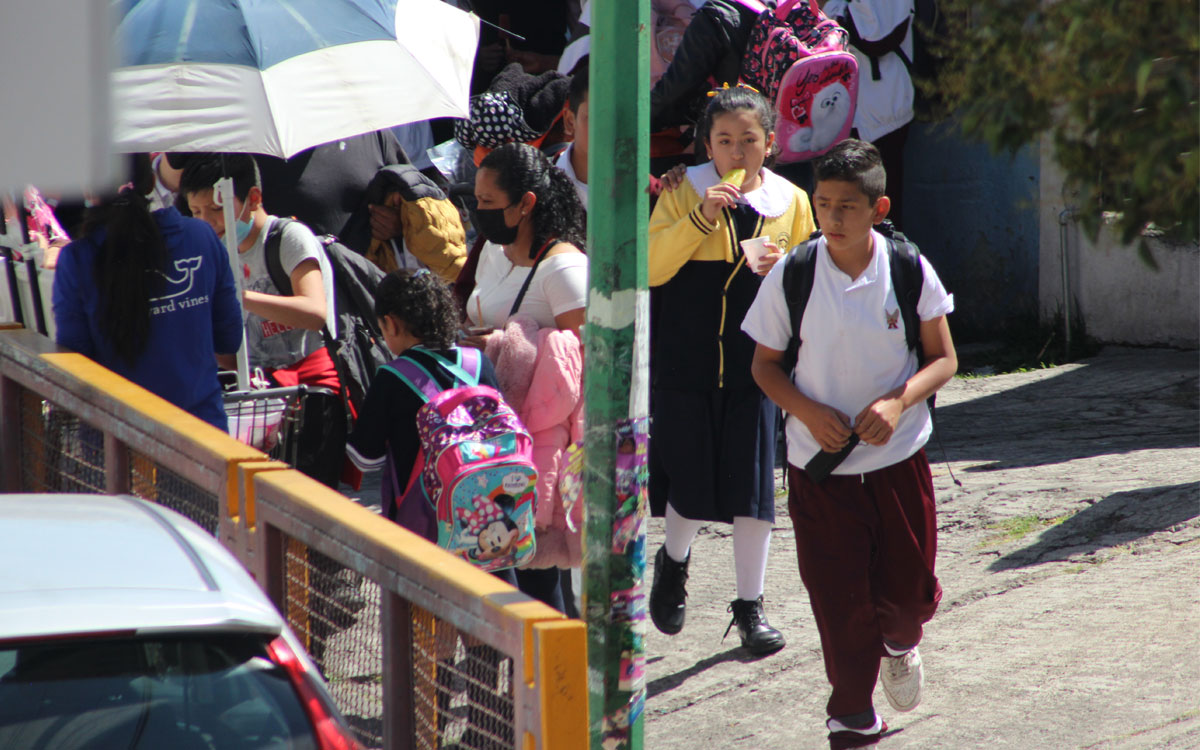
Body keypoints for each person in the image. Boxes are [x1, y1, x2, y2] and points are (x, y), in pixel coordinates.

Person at [741, 138, 956, 748]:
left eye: (847, 207)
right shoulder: (794, 273)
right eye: (823, 204)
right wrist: (809, 412)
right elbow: (764, 367)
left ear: (878, 208)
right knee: (840, 604)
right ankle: (852, 716)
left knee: (908, 599)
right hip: (820, 473)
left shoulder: (908, 267)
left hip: (898, 461)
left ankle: (900, 643)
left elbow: (944, 359)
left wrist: (897, 402)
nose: (832, 218)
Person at [646, 85, 816, 655]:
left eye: (749, 140)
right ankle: (673, 563)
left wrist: (781, 271)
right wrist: (702, 215)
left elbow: (808, 277)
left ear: (770, 142)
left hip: (757, 367)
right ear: (707, 146)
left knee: (753, 490)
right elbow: (653, 266)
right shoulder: (682, 190)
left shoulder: (791, 201)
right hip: (687, 360)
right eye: (724, 141)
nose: (737, 153)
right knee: (689, 482)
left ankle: (750, 607)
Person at [463, 142, 590, 613]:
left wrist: (504, 346)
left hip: (540, 448)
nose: (478, 211)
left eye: (488, 202)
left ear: (525, 204)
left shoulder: (564, 269)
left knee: (539, 579)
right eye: (477, 200)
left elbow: (585, 366)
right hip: (489, 435)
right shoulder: (493, 252)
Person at [179, 154, 345, 488]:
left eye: (215, 209)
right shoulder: (218, 254)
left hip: (310, 395)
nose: (206, 221)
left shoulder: (288, 237)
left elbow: (315, 312)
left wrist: (241, 297)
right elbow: (231, 354)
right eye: (196, 212)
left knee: (307, 502)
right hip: (257, 402)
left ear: (253, 198)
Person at [52, 154, 242, 432]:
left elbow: (75, 360)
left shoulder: (77, 259)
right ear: (152, 181)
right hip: (202, 435)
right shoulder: (201, 236)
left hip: (117, 438)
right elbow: (229, 338)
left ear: (88, 189)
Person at [823, 0, 916, 226]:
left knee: (880, 212)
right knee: (836, 207)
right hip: (835, 113)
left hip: (883, 116)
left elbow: (874, 38)